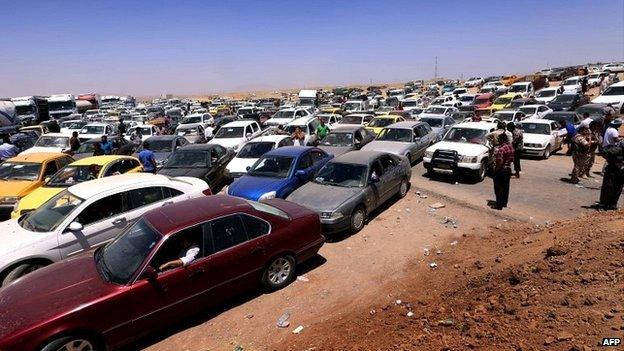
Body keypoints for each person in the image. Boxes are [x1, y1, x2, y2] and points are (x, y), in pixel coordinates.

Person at [598, 139, 624, 210]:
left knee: (617, 188)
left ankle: (612, 205)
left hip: (619, 172)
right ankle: (605, 205)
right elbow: (604, 152)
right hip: (613, 171)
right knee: (609, 187)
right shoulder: (617, 149)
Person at [492, 133, 514, 210]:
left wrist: (495, 171)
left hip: (501, 170)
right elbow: (512, 159)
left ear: (501, 140)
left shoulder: (501, 150)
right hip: (508, 169)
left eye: (498, 139)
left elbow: (499, 162)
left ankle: (499, 205)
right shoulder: (510, 147)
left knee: (498, 188)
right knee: (506, 187)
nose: (498, 141)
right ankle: (504, 203)